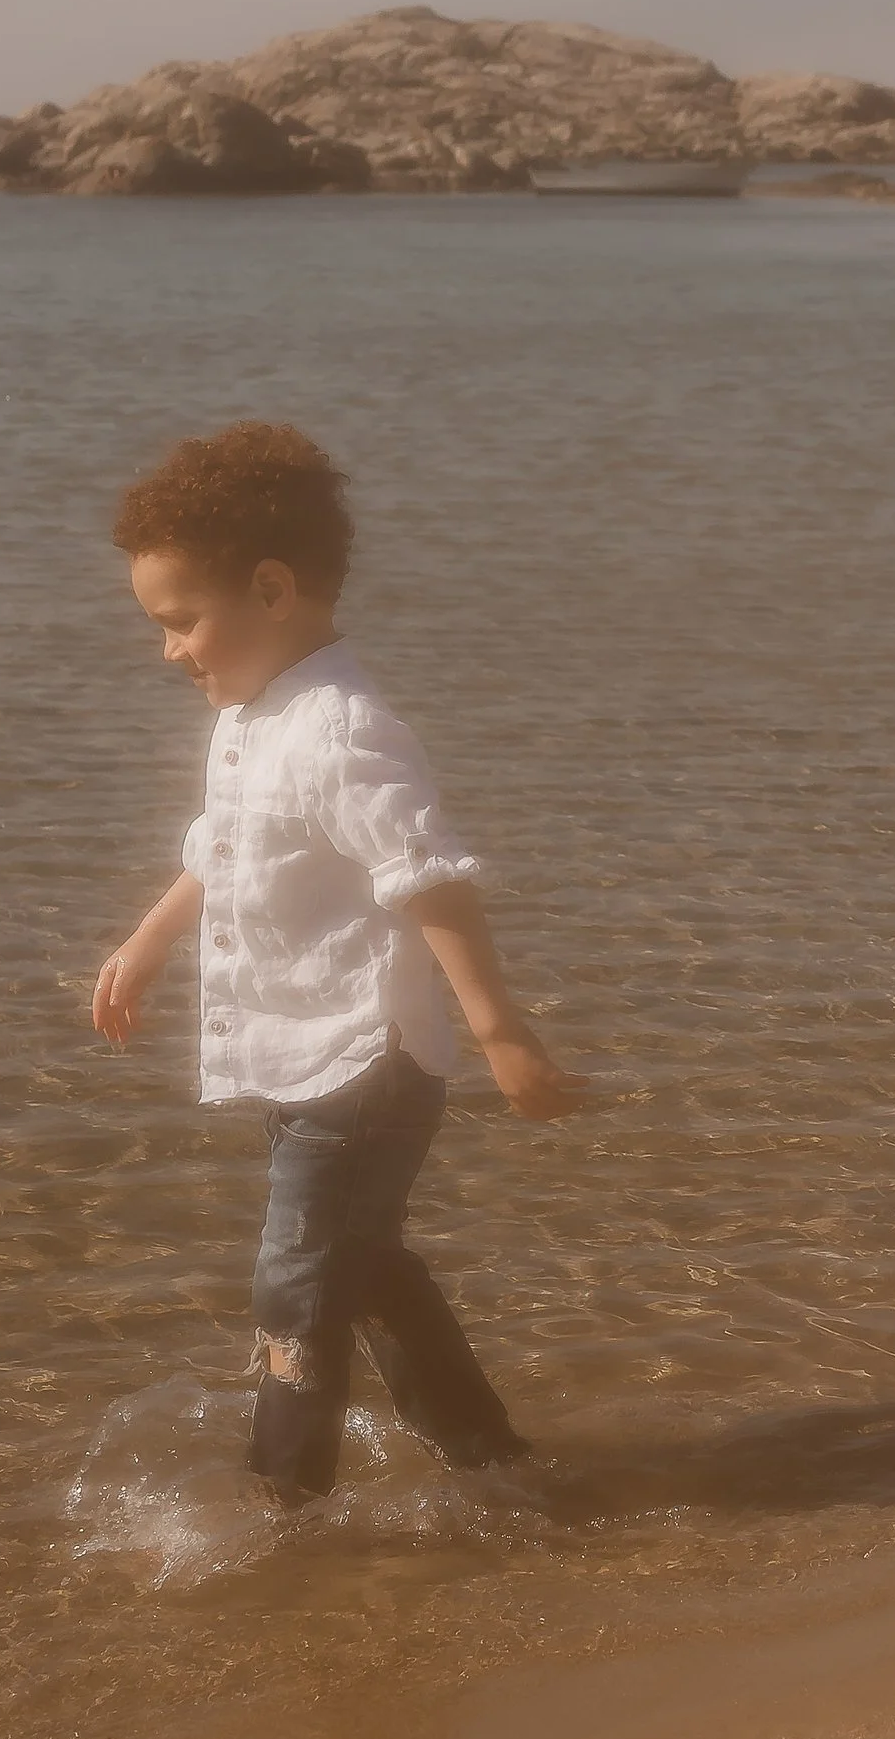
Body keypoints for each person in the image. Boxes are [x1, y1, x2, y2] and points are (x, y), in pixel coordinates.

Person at [92, 419, 582, 1499]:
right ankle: (489, 1459)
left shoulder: (341, 731)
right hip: (308, 1048)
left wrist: (500, 1033)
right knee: (363, 1266)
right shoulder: (255, 714)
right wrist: (148, 940)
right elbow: (221, 849)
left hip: (366, 1058)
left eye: (181, 623)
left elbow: (429, 877)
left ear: (271, 590)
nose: (168, 649)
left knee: (298, 1282)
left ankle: (283, 1505)